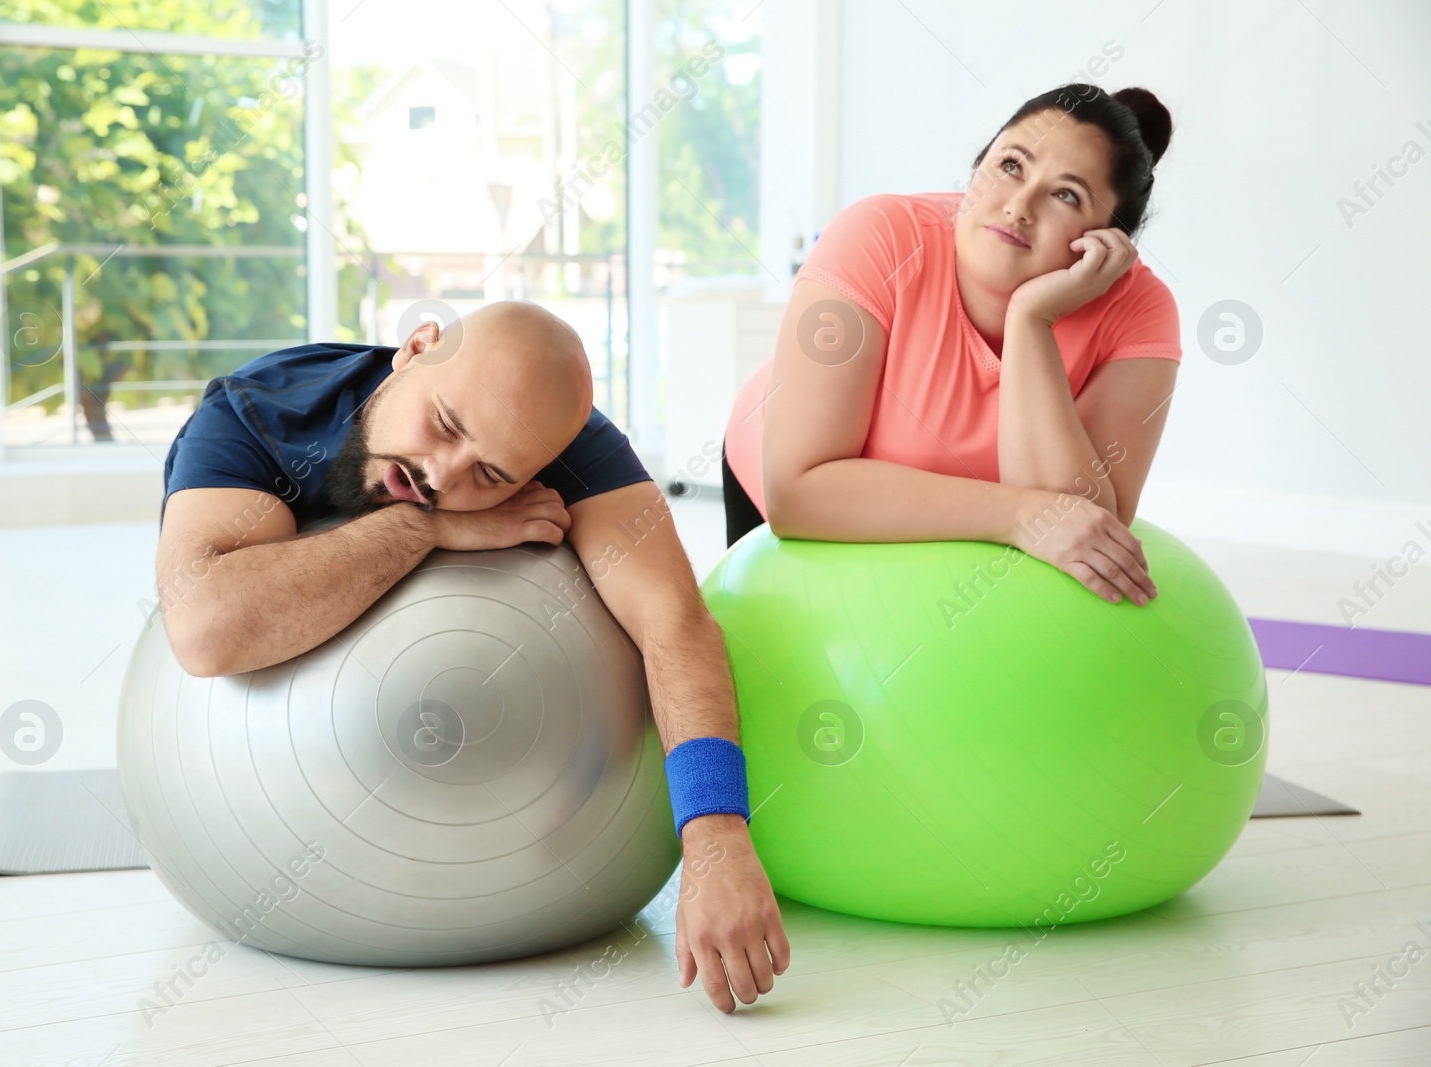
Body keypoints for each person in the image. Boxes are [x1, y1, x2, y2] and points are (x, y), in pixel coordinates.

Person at [155, 301, 788, 1013]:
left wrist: (716, 838)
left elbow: (675, 621)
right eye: (444, 425)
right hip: (265, 823)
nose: (442, 476)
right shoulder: (259, 413)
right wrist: (425, 530)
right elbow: (207, 628)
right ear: (417, 346)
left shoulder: (562, 441)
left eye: (490, 476)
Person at [723, 84, 1180, 608]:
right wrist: (1019, 515)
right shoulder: (878, 235)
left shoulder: (1140, 309)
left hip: (959, 515)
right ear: (977, 166)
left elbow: (1079, 526)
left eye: (1065, 195)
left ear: (1108, 240)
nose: (1018, 206)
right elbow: (799, 492)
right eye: (1011, 165)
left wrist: (1032, 320)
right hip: (783, 471)